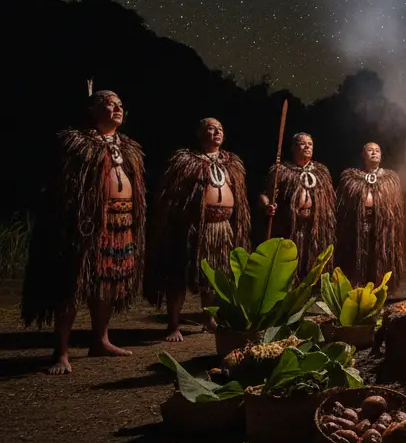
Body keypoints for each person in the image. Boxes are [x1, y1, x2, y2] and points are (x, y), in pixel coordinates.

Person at [22, 90, 146, 374]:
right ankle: (61, 351)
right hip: (86, 225)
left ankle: (100, 340)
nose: (117, 108)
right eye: (109, 104)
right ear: (92, 109)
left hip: (120, 222)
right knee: (73, 283)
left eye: (120, 104)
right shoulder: (77, 143)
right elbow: (63, 188)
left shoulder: (128, 147)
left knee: (108, 281)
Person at [144, 117, 250, 341]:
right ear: (200, 134)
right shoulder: (185, 162)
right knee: (180, 275)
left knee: (214, 275)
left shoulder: (231, 163)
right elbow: (171, 196)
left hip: (221, 228)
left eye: (220, 128)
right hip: (193, 228)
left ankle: (208, 319)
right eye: (211, 128)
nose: (217, 132)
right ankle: (173, 324)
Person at [260, 132, 335, 278]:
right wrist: (267, 205)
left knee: (312, 267)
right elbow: (264, 195)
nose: (307, 146)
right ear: (293, 148)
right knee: (290, 269)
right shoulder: (281, 170)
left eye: (310, 144)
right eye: (302, 143)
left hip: (315, 229)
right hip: (291, 228)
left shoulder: (321, 171)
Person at [335, 142, 404, 286]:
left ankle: (378, 287)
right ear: (363, 154)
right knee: (358, 257)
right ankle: (356, 286)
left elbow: (396, 208)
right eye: (370, 150)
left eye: (377, 150)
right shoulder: (351, 177)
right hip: (357, 226)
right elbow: (343, 205)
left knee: (378, 258)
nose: (374, 153)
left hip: (381, 227)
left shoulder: (390, 178)